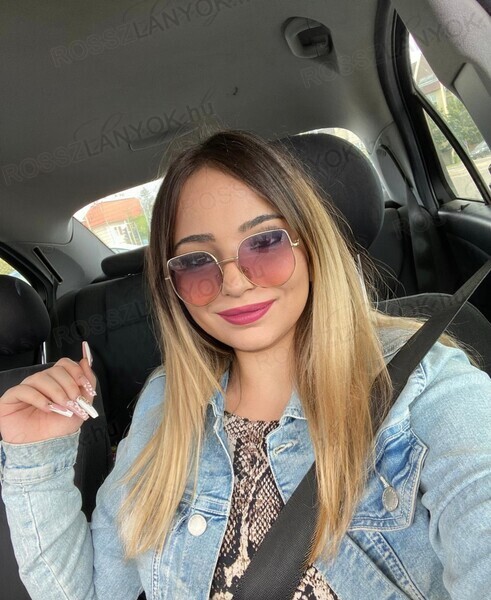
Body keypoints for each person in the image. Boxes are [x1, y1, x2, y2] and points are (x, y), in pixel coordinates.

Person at [0, 129, 490, 600]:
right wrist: (35, 456)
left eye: (264, 243)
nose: (234, 283)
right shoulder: (165, 403)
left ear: (311, 244)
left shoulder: (426, 391)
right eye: (195, 262)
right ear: (172, 286)